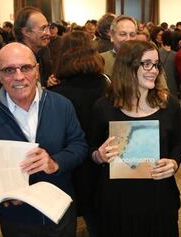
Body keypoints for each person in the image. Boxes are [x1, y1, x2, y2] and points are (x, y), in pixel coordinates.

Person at [0, 42, 88, 237]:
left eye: (25, 67)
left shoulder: (62, 105)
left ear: (37, 70)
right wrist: (3, 189)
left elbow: (79, 145)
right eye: (9, 70)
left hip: (59, 210)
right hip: (15, 216)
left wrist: (55, 162)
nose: (18, 76)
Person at [90, 40, 181, 237]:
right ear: (127, 66)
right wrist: (98, 156)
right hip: (117, 202)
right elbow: (89, 149)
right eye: (146, 63)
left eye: (156, 64)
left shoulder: (170, 105)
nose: (154, 70)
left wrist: (174, 163)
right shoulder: (104, 108)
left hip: (159, 200)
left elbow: (178, 144)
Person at [49, 31, 108, 237]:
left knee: (68, 219)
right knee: (99, 218)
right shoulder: (107, 84)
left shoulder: (55, 94)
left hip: (71, 164)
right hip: (103, 158)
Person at [13, 6, 53, 87]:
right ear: (26, 32)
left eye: (48, 27)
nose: (48, 33)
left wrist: (50, 83)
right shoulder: (13, 58)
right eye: (43, 28)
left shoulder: (44, 51)